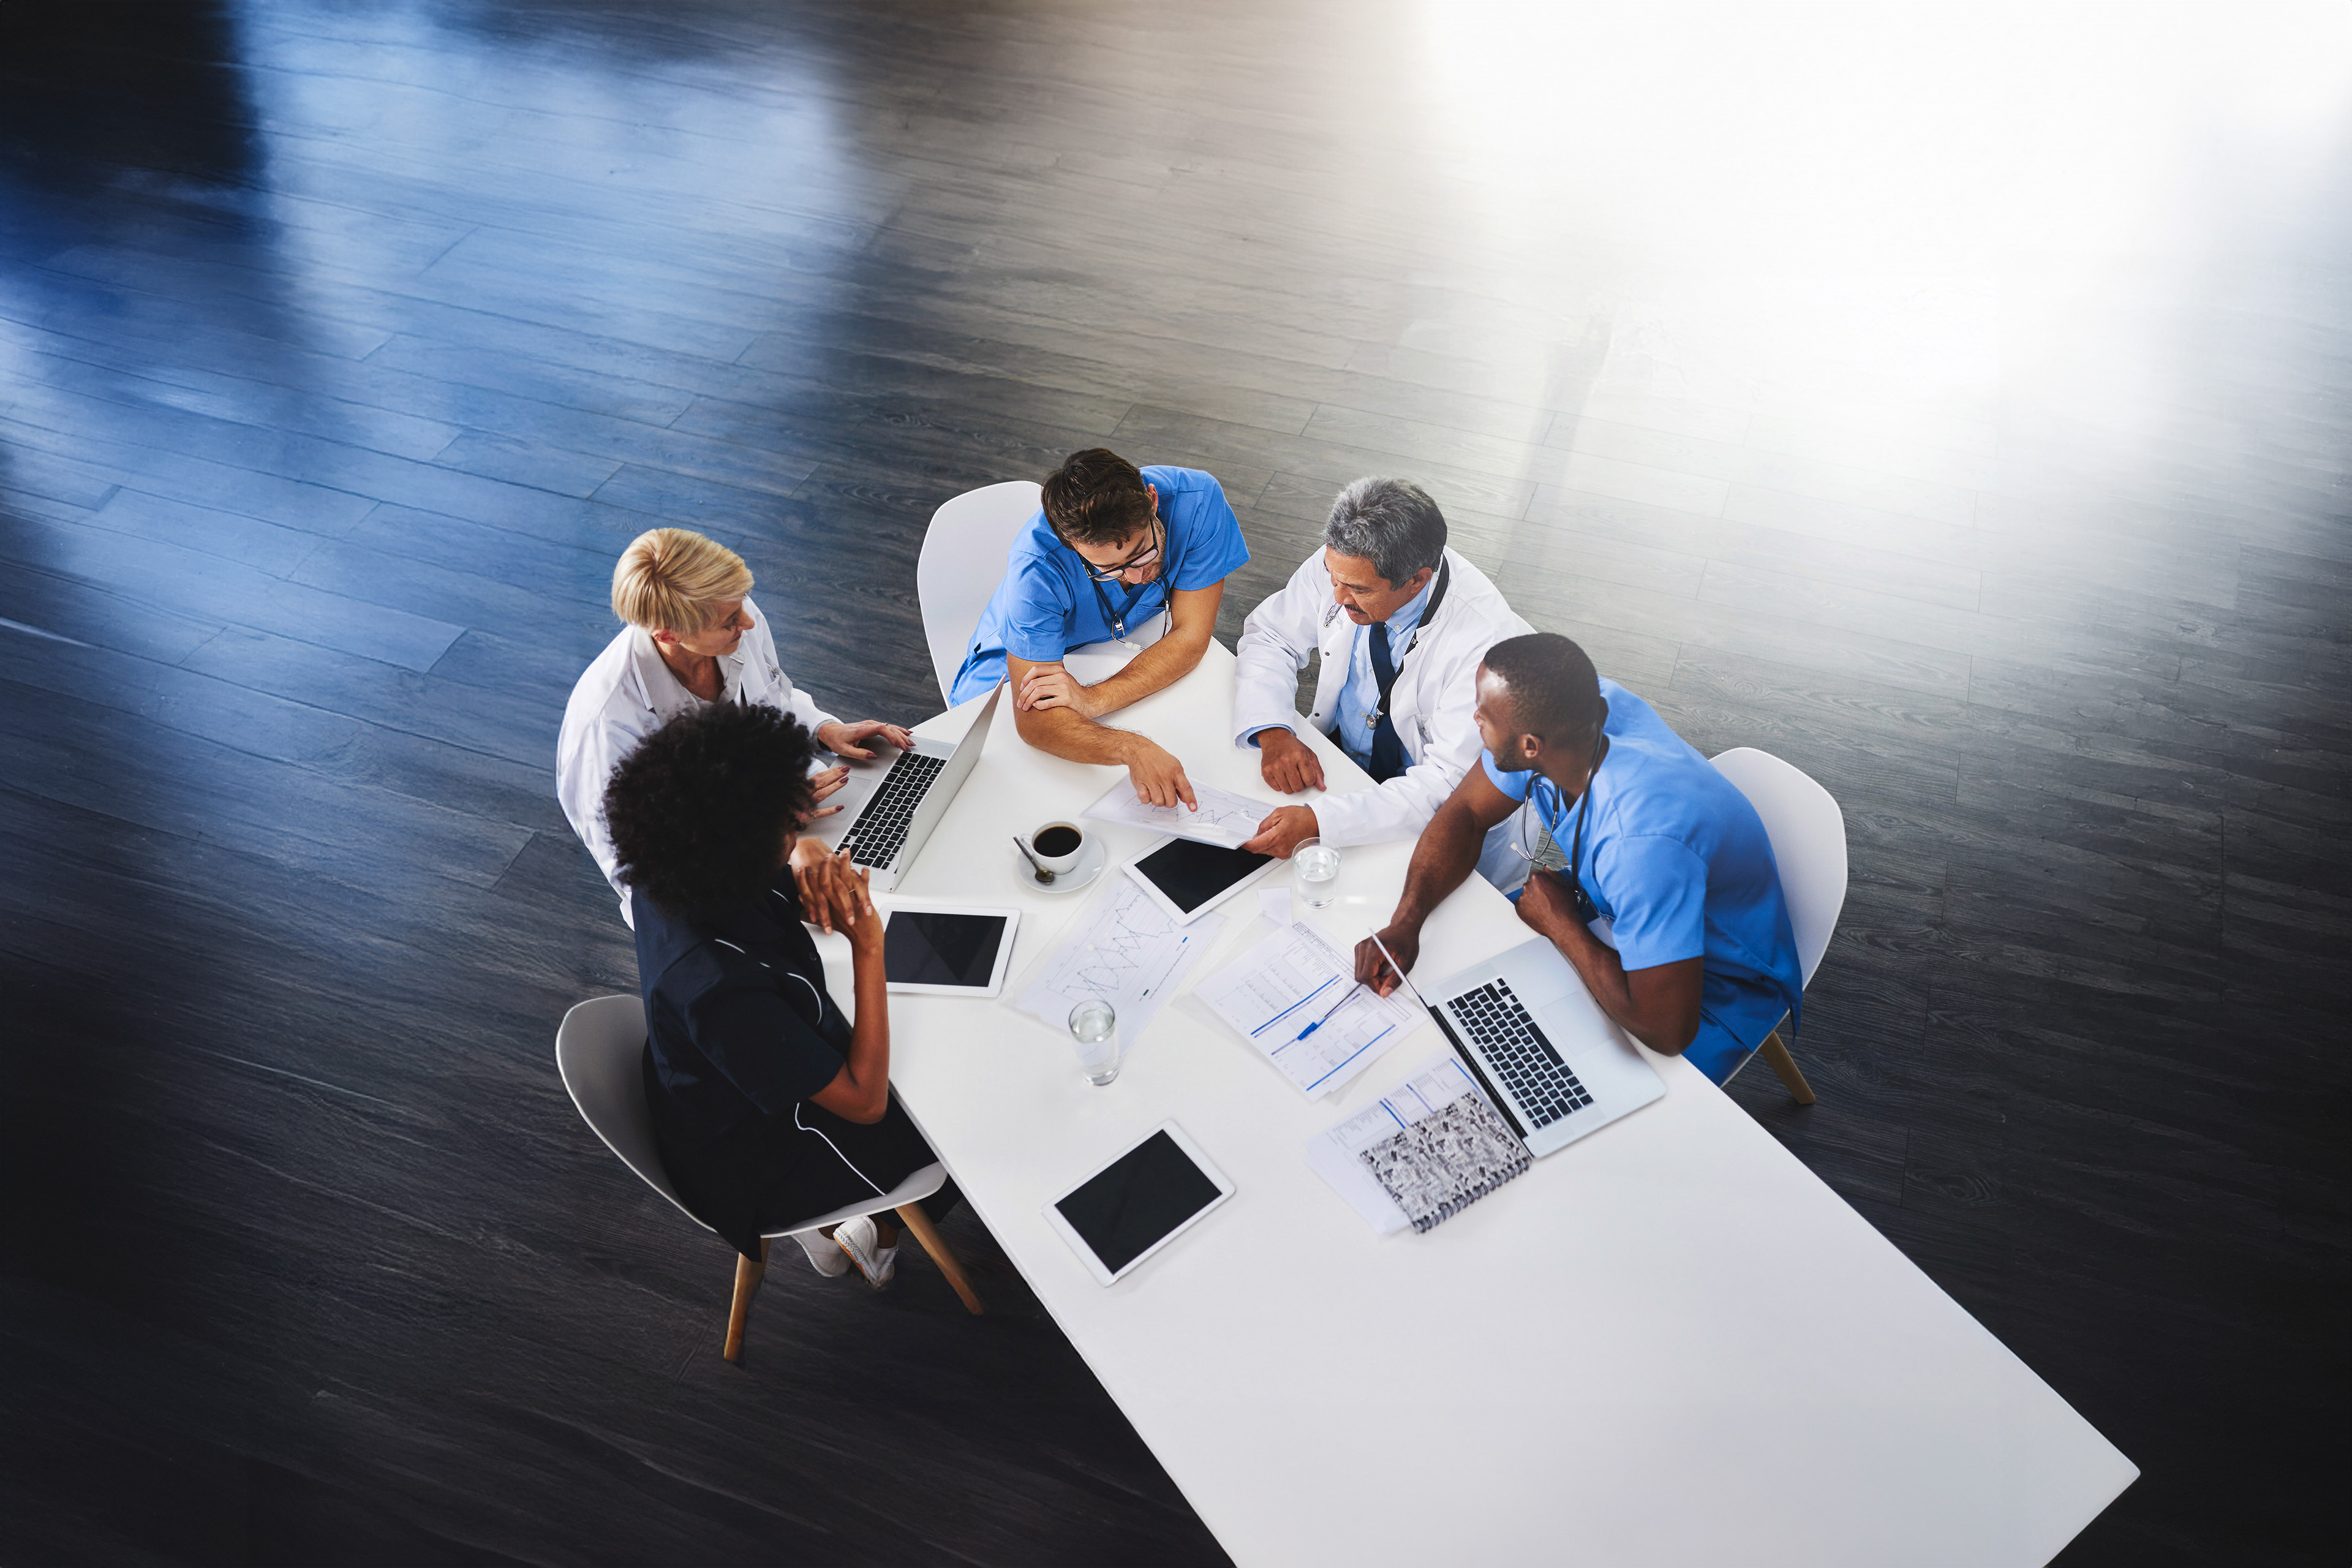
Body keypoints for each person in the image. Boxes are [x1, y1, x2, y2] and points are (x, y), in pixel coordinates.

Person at [604, 699, 957, 1285]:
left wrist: (804, 856)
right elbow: (865, 1104)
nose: (799, 826)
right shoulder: (714, 989)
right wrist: (869, 949)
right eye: (788, 826)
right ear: (737, 847)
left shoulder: (673, 864)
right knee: (950, 1122)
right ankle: (873, 1234)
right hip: (763, 1156)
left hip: (731, 1076)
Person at [1354, 632, 1803, 1084]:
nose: (1474, 719)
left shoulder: (1639, 847)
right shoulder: (1572, 712)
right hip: (1610, 916)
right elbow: (1467, 812)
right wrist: (1407, 921)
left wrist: (1562, 925)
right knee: (1464, 1012)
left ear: (1531, 746)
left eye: (1483, 715)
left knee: (1540, 1084)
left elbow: (1668, 1031)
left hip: (1713, 989)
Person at [557, 527, 912, 927]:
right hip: (715, 888)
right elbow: (645, 878)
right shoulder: (606, 730)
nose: (748, 621)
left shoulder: (732, 613)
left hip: (786, 810)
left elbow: (769, 698)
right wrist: (766, 826)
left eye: (743, 600)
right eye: (730, 621)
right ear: (667, 634)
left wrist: (821, 728)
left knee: (898, 841)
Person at [1229, 477, 1533, 884]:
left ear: (1417, 581)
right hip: (1343, 769)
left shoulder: (1487, 648)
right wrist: (1272, 730)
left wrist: (1322, 823)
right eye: (1332, 578)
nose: (1337, 597)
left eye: (1357, 589)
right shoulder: (1344, 564)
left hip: (1436, 813)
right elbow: (1272, 636)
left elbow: (1448, 785)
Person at [948, 448, 1249, 809]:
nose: (1137, 577)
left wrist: (1091, 699)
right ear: (1070, 545)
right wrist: (1132, 748)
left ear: (1152, 501)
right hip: (1005, 674)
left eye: (1143, 553)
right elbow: (1035, 723)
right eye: (1109, 569)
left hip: (1108, 652)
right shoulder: (1035, 567)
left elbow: (1190, 637)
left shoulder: (1199, 502)